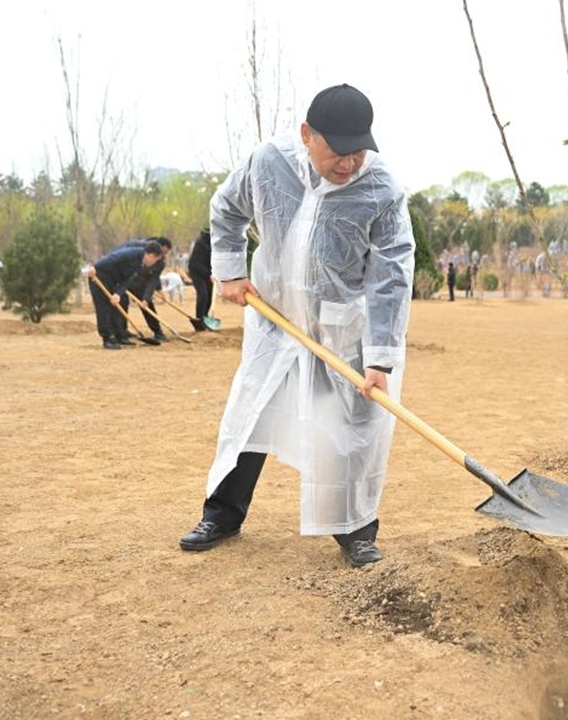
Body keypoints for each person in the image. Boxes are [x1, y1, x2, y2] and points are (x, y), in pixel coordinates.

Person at [178, 83, 415, 569]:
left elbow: (392, 276)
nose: (350, 163)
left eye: (359, 152)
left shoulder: (383, 190)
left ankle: (355, 531)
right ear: (308, 135)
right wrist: (230, 270)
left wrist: (380, 359)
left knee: (349, 430)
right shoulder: (269, 162)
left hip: (341, 329)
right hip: (275, 320)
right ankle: (222, 514)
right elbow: (227, 208)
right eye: (339, 151)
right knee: (250, 415)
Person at [86, 240, 166, 349]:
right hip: (99, 276)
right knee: (103, 308)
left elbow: (127, 280)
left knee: (116, 306)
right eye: (155, 260)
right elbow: (113, 257)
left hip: (114, 281)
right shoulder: (132, 253)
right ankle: (107, 338)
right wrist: (95, 267)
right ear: (151, 255)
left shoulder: (141, 264)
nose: (155, 263)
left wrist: (118, 294)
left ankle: (119, 336)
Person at [187, 227, 215, 325]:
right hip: (196, 272)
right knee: (203, 294)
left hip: (207, 272)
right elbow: (197, 263)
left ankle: (205, 316)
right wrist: (209, 273)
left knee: (210, 294)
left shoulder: (214, 244)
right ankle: (199, 318)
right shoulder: (200, 244)